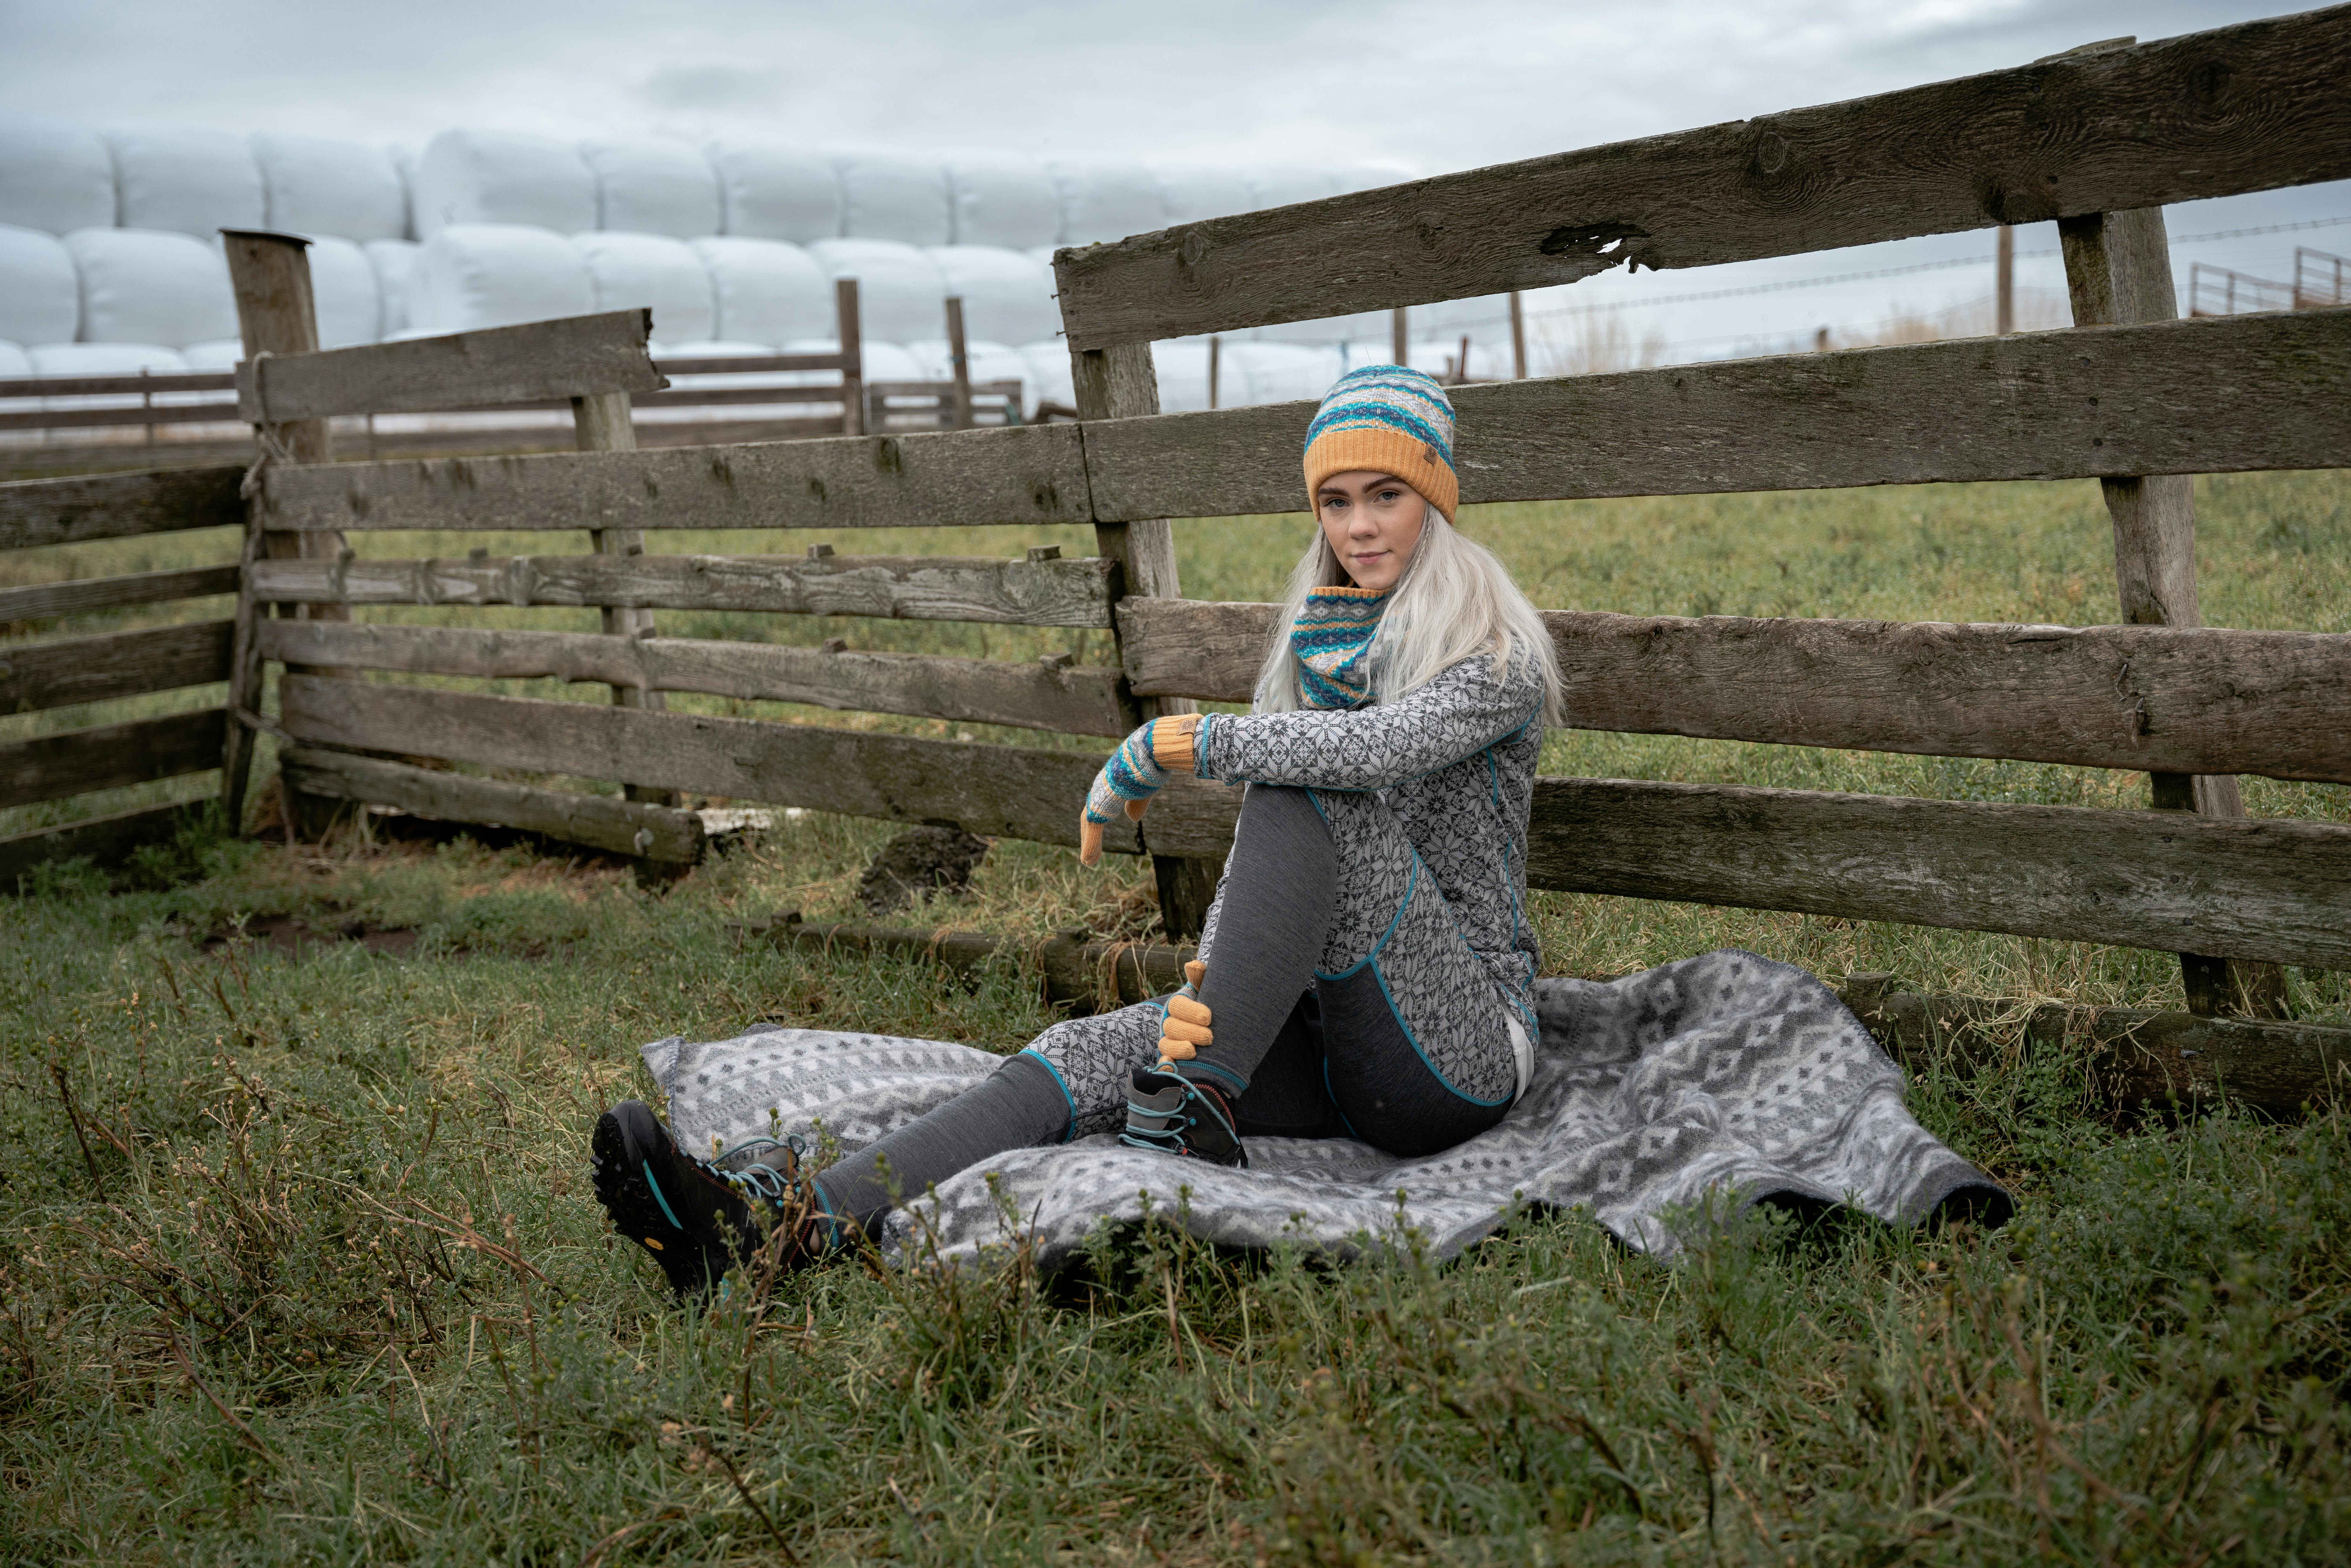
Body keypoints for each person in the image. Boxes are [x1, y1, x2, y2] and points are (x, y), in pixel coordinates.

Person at [592, 366, 1568, 1298]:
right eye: (1335, 499)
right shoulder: (1321, 645)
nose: (1357, 526)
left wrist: (1180, 742)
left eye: (1385, 496)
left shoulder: (1494, 652)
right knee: (1089, 1051)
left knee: (1303, 777)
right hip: (1329, 1038)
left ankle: (1193, 1112)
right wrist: (1224, 977)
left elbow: (1374, 756)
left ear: (1433, 500)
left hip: (1460, 1056)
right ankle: (784, 1231)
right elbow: (1285, 857)